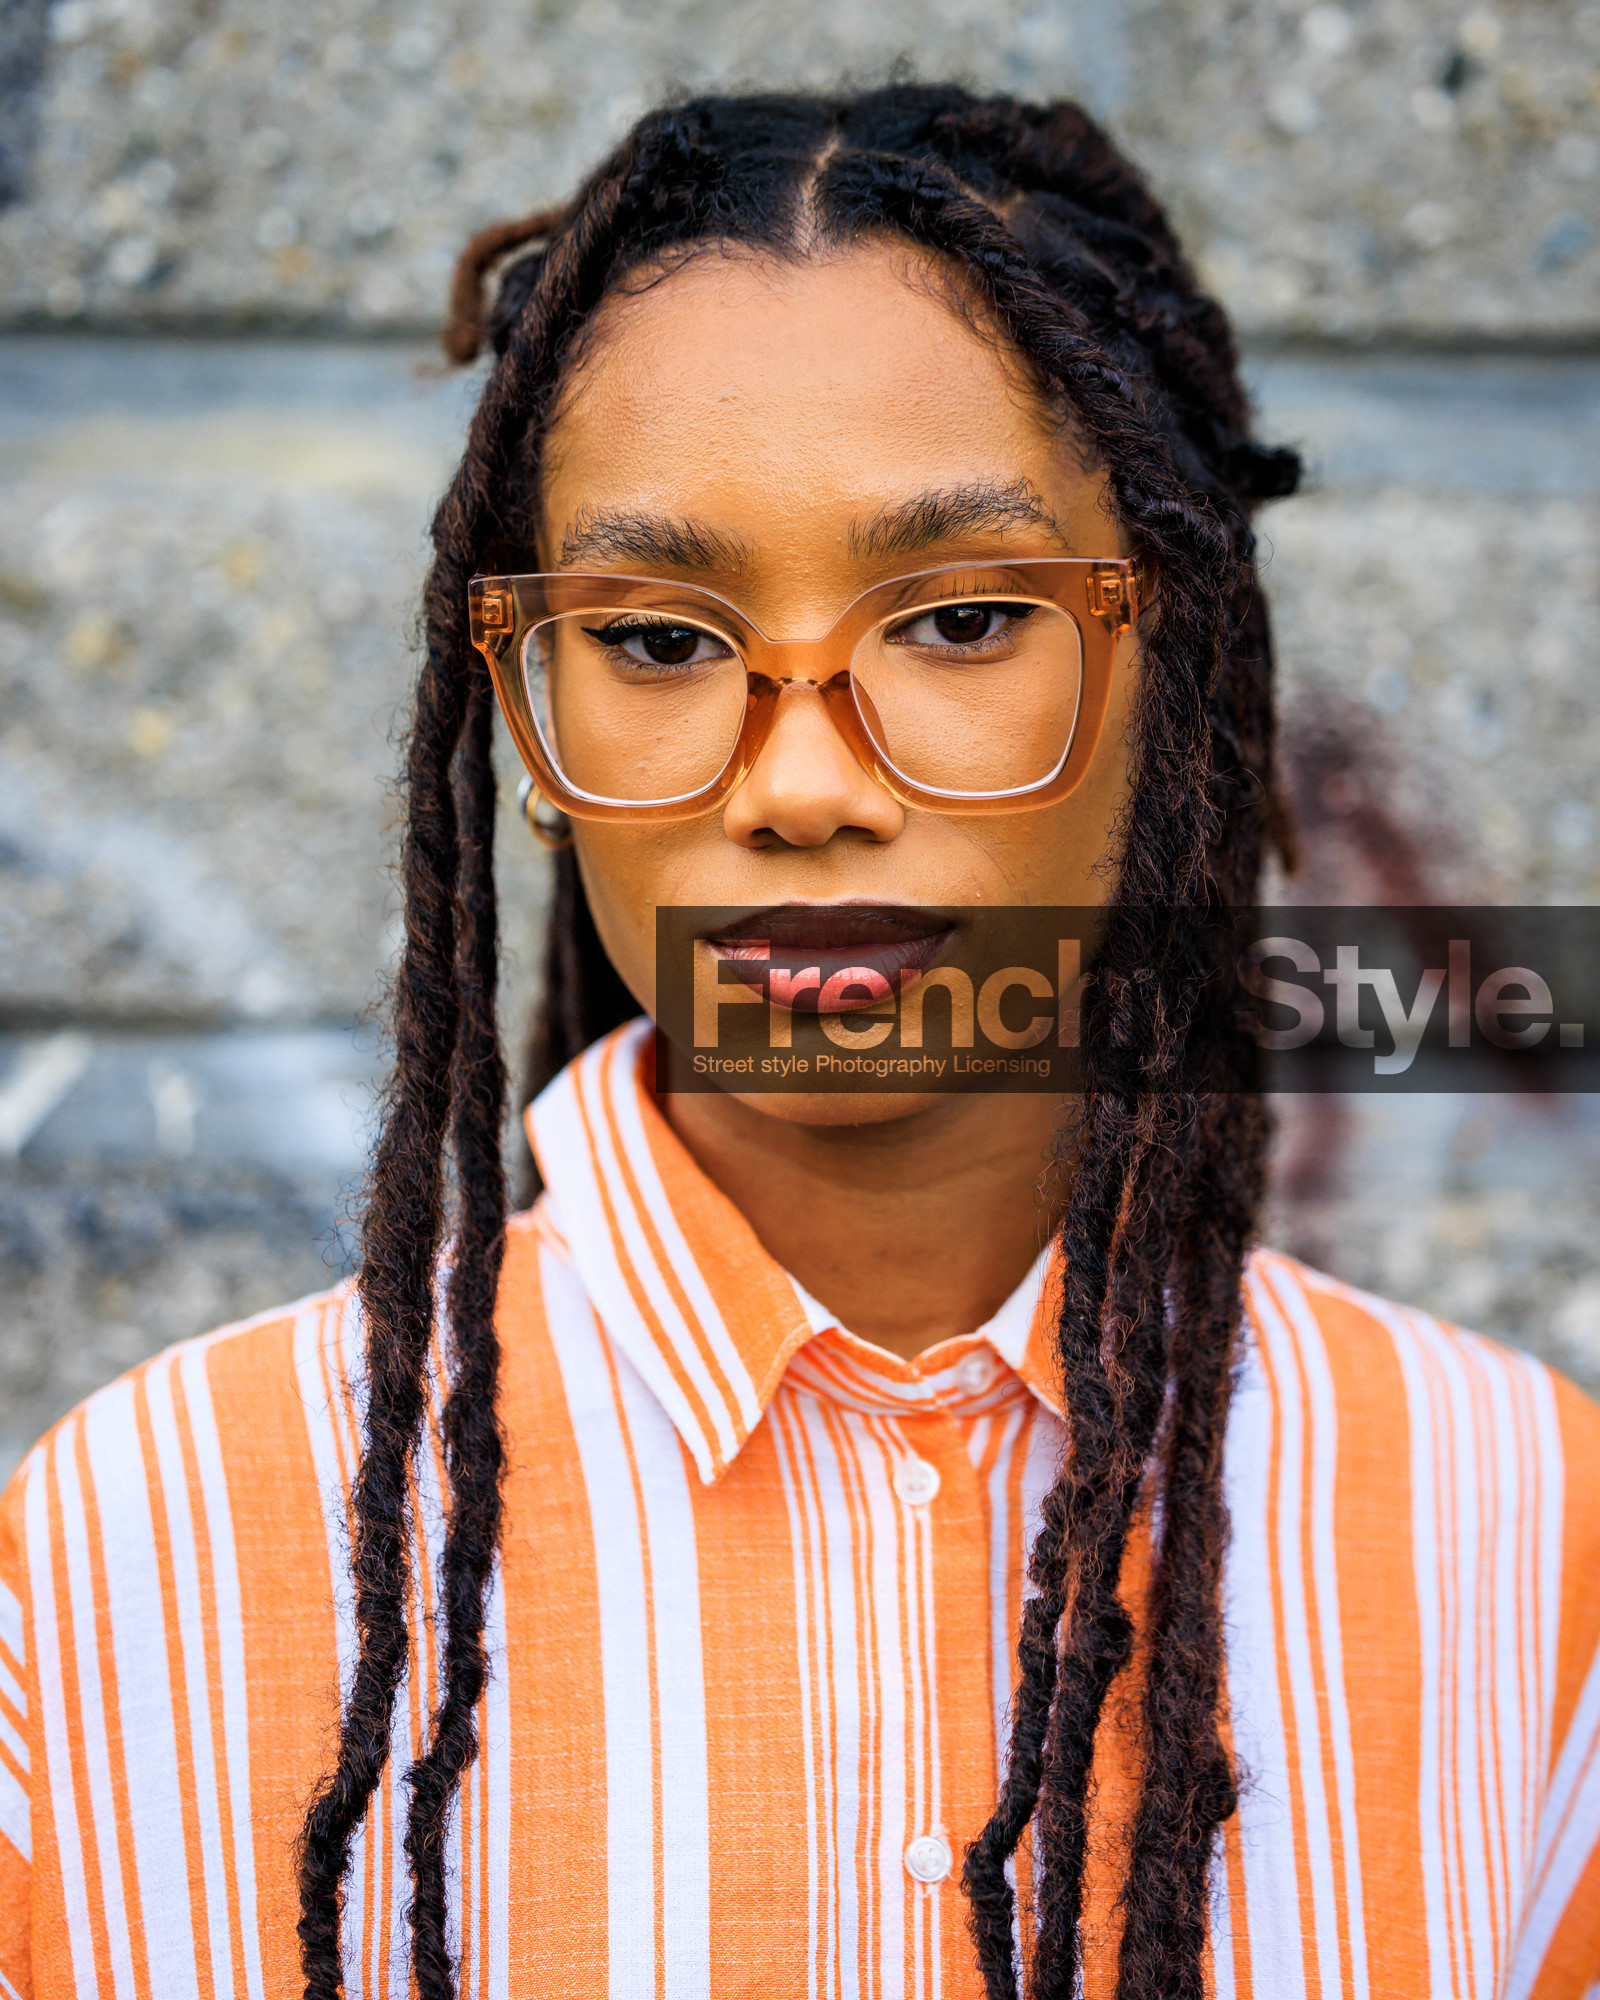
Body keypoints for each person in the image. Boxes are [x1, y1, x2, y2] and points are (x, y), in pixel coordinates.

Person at [1, 84, 1597, 2000]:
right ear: (525, 721)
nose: (809, 784)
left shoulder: (1526, 1532)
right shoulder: (126, 1548)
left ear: (1173, 664)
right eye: (660, 641)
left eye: (968, 615)